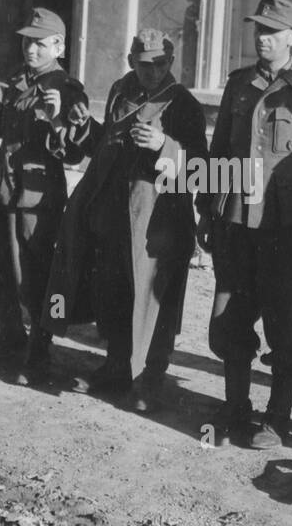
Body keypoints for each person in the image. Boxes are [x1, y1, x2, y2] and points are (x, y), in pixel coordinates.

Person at [201, 0, 292, 449]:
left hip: (288, 224)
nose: (262, 38)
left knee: (286, 324)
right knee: (231, 317)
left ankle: (277, 419)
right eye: (258, 29)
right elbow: (220, 148)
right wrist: (208, 208)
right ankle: (235, 406)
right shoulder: (238, 84)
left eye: (271, 31)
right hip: (238, 219)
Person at [42, 29, 208, 413]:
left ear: (171, 62)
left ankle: (149, 380)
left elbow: (203, 167)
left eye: (160, 64)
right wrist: (83, 126)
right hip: (114, 212)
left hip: (158, 222)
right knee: (113, 291)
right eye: (144, 64)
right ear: (131, 60)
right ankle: (117, 366)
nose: (152, 72)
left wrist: (164, 146)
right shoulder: (121, 90)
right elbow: (106, 145)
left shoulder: (183, 103)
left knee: (154, 300)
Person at [0, 7, 89, 386]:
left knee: (34, 276)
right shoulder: (19, 80)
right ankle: (9, 335)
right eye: (27, 42)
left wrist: (58, 121)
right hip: (0, 187)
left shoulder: (66, 89)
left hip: (35, 198)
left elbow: (73, 153)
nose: (31, 49)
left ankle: (39, 353)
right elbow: (2, 125)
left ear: (58, 45)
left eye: (40, 43)